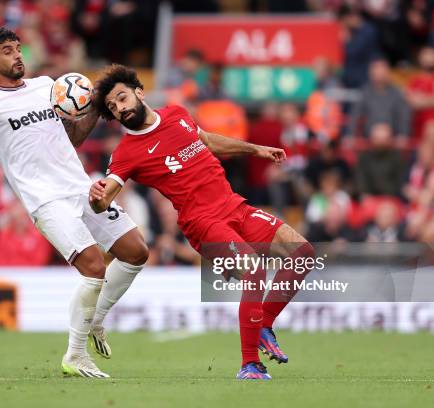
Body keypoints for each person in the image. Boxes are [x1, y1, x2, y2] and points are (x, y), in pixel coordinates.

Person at [89, 64, 315, 380]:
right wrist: (98, 197)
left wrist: (255, 149)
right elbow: (106, 194)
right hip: (203, 223)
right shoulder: (127, 151)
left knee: (303, 253)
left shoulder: (177, 114)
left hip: (235, 206)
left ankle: (262, 325)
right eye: (113, 107)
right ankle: (250, 364)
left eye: (122, 98)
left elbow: (207, 140)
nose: (120, 108)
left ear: (140, 92)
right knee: (255, 271)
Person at [0, 28, 149, 378]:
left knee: (136, 251)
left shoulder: (46, 85)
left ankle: (96, 318)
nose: (17, 56)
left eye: (18, 49)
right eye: (7, 51)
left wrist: (94, 106)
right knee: (94, 268)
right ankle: (75, 355)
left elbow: (71, 136)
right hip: (45, 201)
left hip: (80, 188)